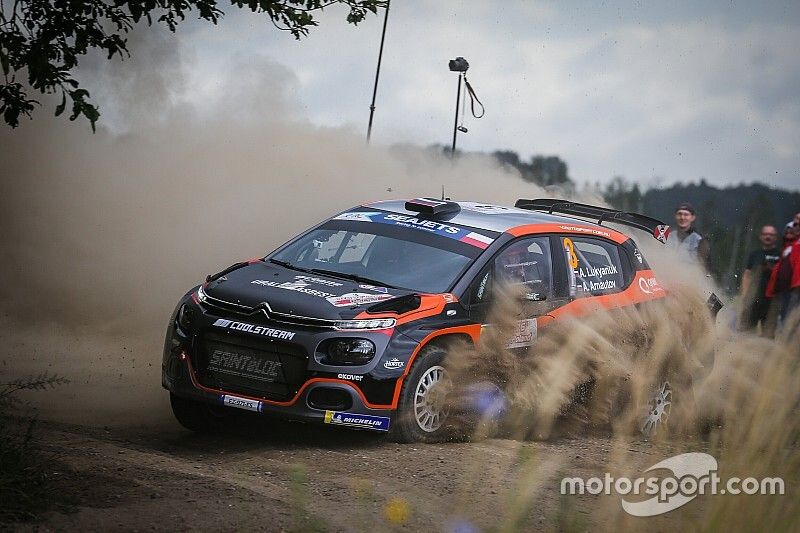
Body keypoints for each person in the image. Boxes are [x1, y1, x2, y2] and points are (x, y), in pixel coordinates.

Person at [739, 225, 780, 336]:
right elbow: (747, 274)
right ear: (761, 236)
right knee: (746, 331)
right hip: (754, 299)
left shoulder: (780, 254)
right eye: (765, 234)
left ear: (775, 237)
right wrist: (745, 294)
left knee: (768, 334)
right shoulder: (754, 254)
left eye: (771, 235)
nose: (768, 237)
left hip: (772, 303)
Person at [766, 222, 800, 326]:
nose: (790, 232)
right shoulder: (784, 250)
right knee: (781, 318)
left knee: (790, 317)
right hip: (781, 291)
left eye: (793, 231)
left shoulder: (797, 247)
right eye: (787, 231)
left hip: (794, 289)